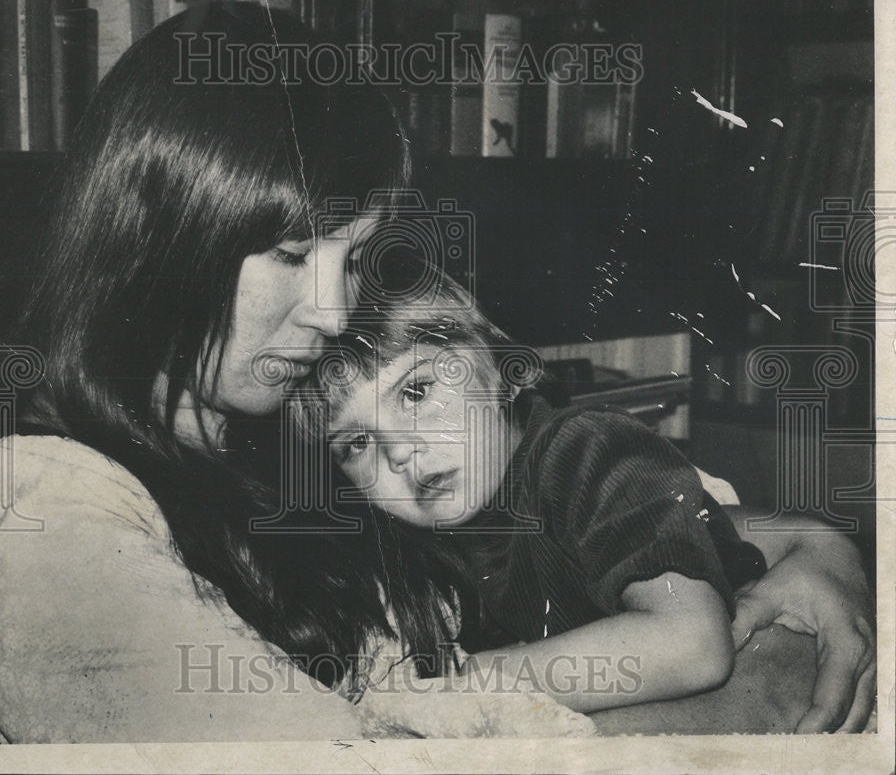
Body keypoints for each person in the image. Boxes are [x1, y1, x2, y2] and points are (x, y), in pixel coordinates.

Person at [0, 1, 875, 744]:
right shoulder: (29, 498)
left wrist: (815, 548)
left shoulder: (273, 420)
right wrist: (766, 686)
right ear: (166, 239)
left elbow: (578, 510)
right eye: (297, 254)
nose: (337, 312)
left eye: (355, 256)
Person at [294, 275, 870, 719]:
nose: (399, 452)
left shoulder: (586, 448)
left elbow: (693, 642)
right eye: (357, 442)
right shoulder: (434, 539)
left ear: (500, 370)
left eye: (416, 391)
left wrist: (461, 687)